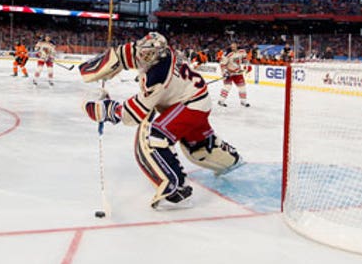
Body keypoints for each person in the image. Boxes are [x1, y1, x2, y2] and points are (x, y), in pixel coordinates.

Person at [79, 32, 243, 209]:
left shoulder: (157, 76)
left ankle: (177, 190)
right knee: (196, 147)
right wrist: (92, 69)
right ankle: (229, 159)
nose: (143, 57)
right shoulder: (157, 52)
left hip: (190, 103)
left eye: (148, 55)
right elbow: (121, 54)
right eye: (143, 52)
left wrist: (104, 109)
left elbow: (133, 114)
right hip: (193, 96)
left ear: (159, 54)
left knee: (153, 136)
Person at [217, 42, 250, 108]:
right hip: (229, 73)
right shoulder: (227, 54)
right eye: (232, 47)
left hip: (238, 73)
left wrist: (247, 65)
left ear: (237, 46)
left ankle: (243, 101)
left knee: (242, 87)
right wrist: (225, 72)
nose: (233, 48)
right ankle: (221, 101)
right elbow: (222, 64)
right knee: (227, 86)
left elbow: (245, 59)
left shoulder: (242, 51)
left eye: (234, 46)